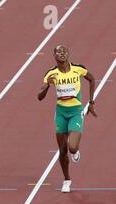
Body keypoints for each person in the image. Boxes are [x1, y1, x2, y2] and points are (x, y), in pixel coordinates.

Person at [38, 44, 96, 193]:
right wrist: (48, 86)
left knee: (72, 148)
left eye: (64, 51)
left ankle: (76, 151)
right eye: (59, 52)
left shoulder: (78, 69)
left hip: (76, 112)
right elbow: (39, 97)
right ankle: (67, 180)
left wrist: (91, 102)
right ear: (54, 56)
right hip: (61, 114)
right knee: (62, 150)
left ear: (68, 54)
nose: (62, 54)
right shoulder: (51, 73)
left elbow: (92, 79)